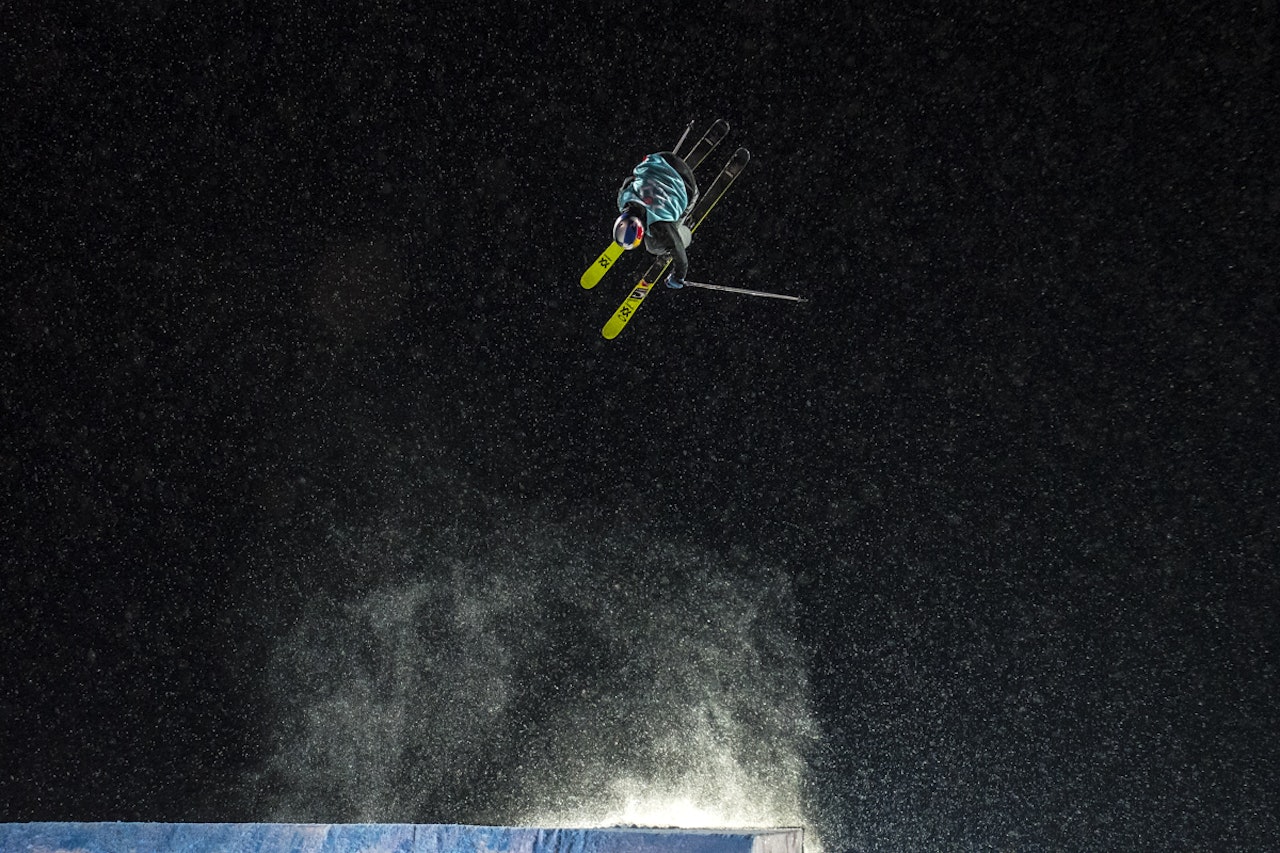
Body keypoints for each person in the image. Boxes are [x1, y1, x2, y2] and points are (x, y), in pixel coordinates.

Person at [613, 151, 699, 288]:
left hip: (688, 186)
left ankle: (685, 229)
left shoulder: (658, 225)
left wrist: (678, 276)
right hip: (664, 159)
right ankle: (668, 176)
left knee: (654, 247)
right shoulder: (623, 198)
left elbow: (680, 254)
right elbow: (629, 180)